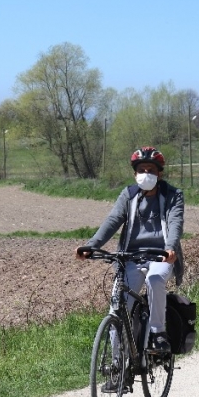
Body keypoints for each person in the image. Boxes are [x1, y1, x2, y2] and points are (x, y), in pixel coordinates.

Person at [76, 146, 185, 355]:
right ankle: (117, 366)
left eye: (151, 170)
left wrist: (171, 249)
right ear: (134, 173)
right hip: (131, 258)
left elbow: (175, 224)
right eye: (141, 170)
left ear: (159, 173)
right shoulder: (128, 195)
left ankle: (158, 333)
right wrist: (91, 246)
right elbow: (113, 221)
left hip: (161, 257)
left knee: (155, 280)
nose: (146, 174)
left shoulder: (173, 195)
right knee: (117, 309)